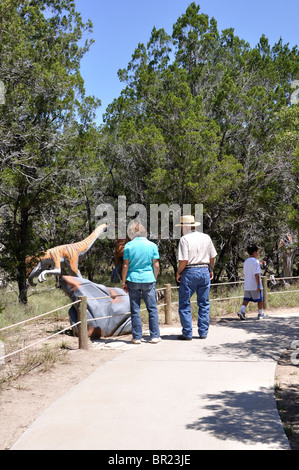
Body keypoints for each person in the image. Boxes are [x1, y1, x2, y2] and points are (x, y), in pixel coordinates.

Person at [176, 215, 217, 340]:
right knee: (204, 303)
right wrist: (210, 269)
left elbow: (183, 260)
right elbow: (212, 257)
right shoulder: (206, 237)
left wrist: (178, 273)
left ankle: (187, 333)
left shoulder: (184, 239)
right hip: (204, 269)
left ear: (185, 226)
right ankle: (203, 332)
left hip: (190, 271)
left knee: (184, 303)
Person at [122, 222, 161, 344]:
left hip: (133, 279)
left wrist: (124, 282)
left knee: (135, 309)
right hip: (148, 279)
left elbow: (125, 265)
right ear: (144, 232)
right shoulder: (152, 245)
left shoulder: (128, 246)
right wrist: (154, 277)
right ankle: (154, 336)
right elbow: (156, 264)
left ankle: (137, 337)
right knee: (152, 308)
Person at [238, 244, 268, 320]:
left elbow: (245, 273)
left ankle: (241, 311)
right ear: (255, 253)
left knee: (246, 299)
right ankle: (261, 314)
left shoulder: (246, 262)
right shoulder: (256, 262)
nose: (258, 253)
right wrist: (258, 285)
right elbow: (256, 274)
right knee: (260, 299)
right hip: (255, 285)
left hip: (247, 285)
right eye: (258, 252)